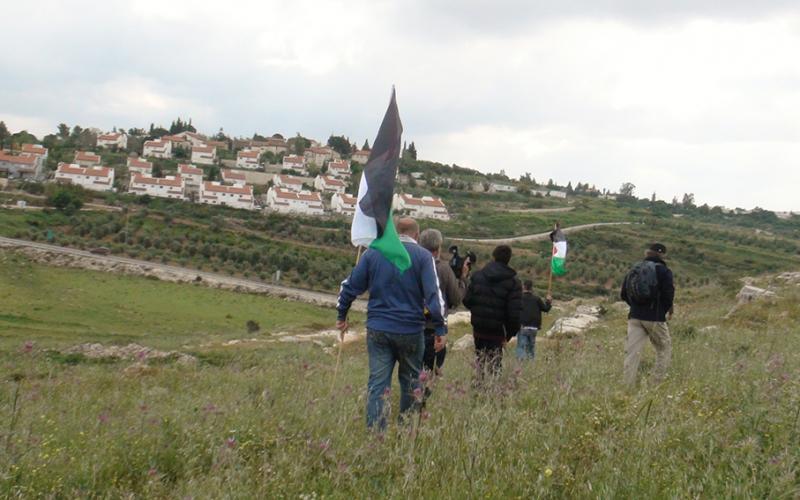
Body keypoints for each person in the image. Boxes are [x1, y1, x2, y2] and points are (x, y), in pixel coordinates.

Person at [336, 217, 446, 430]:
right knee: (412, 383)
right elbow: (434, 296)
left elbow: (349, 286)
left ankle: (376, 437)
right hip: (411, 330)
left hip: (378, 330)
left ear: (395, 232)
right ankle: (405, 431)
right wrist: (440, 328)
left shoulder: (374, 252)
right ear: (417, 235)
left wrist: (342, 315)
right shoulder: (424, 257)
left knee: (378, 385)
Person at [463, 244, 522, 380]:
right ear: (509, 259)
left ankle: (478, 392)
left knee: (480, 363)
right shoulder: (513, 283)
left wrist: (479, 311)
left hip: (478, 329)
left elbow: (467, 301)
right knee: (494, 367)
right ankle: (491, 395)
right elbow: (514, 314)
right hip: (498, 333)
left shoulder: (478, 276)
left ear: (493, 257)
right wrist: (509, 335)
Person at [620, 242, 675, 385]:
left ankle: (628, 385)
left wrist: (636, 307)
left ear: (647, 253)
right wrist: (663, 311)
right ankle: (655, 383)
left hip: (634, 317)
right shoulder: (663, 271)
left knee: (632, 353)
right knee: (664, 348)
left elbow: (623, 294)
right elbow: (669, 295)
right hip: (654, 317)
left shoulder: (635, 268)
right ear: (662, 254)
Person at [418, 228, 469, 376]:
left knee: (411, 372)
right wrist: (463, 279)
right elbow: (456, 298)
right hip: (435, 328)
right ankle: (423, 398)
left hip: (411, 325)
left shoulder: (411, 263)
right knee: (431, 373)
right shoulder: (443, 269)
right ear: (438, 247)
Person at [516, 279, 552, 361]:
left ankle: (519, 368)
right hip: (534, 328)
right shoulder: (537, 299)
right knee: (531, 349)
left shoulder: (519, 298)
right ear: (532, 288)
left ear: (523, 286)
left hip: (522, 327)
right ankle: (530, 365)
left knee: (521, 347)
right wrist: (548, 301)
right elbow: (546, 309)